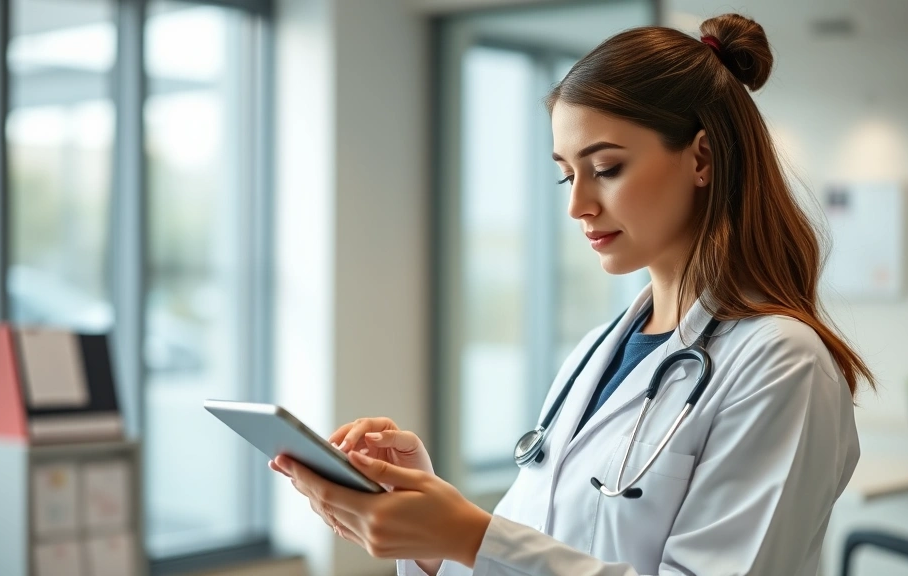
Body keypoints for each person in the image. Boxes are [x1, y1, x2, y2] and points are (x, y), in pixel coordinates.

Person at [269, 13, 872, 576]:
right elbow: (536, 544)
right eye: (565, 172)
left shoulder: (782, 364)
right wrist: (432, 532)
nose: (577, 204)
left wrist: (470, 537)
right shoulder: (596, 353)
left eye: (605, 167)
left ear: (702, 157)